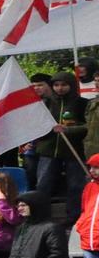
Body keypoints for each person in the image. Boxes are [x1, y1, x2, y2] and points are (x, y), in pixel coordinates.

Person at [36, 71, 89, 223]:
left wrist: (69, 130)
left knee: (76, 185)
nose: (59, 88)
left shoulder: (82, 103)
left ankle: (75, 217)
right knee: (43, 184)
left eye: (64, 85)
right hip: (48, 150)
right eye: (56, 85)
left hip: (74, 150)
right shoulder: (44, 103)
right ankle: (41, 217)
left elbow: (88, 126)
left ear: (71, 86)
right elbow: (35, 125)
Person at [0, 192, 69, 258]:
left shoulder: (52, 228)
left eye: (23, 205)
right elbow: (15, 253)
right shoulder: (21, 228)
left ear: (35, 205)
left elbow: (60, 255)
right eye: (18, 206)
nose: (19, 208)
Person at [76, 154, 99, 258]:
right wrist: (81, 225)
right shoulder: (89, 187)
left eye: (96, 167)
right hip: (88, 242)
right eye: (90, 167)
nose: (92, 170)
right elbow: (85, 210)